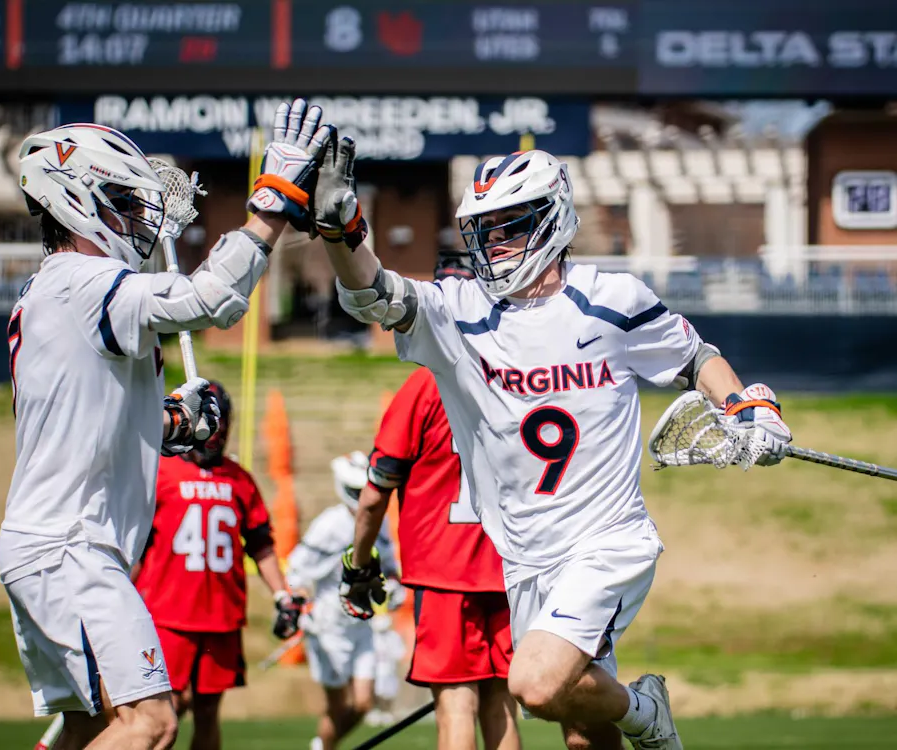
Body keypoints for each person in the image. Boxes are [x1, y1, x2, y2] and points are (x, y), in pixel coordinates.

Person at [304, 97, 793, 750]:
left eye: (510, 226)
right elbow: (372, 290)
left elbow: (695, 358)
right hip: (524, 558)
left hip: (606, 543)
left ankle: (648, 713)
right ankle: (630, 713)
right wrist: (342, 230)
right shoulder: (459, 312)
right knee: (584, 732)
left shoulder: (611, 301)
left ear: (551, 219)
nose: (494, 244)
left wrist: (745, 408)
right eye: (485, 229)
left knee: (533, 686)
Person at [0, 101, 334, 750]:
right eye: (121, 200)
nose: (136, 217)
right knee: (152, 725)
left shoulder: (56, 290)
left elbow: (87, 412)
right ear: (77, 200)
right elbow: (209, 300)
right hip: (73, 545)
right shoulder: (86, 282)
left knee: (90, 727)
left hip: (52, 542)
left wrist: (170, 423)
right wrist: (272, 203)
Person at [346, 249, 521, 750]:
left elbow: (375, 496)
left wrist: (360, 566)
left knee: (456, 705)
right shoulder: (514, 383)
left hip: (445, 572)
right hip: (508, 567)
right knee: (501, 705)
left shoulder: (422, 388)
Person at [133, 381, 302, 750]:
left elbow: (261, 546)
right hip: (168, 614)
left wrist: (282, 596)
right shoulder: (161, 473)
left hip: (221, 617)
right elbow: (136, 548)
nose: (213, 436)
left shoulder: (240, 479)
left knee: (209, 710)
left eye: (219, 425)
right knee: (166, 710)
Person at [285, 452, 401, 750]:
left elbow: (388, 564)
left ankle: (322, 746)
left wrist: (394, 585)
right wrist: (298, 604)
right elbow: (298, 568)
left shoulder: (381, 522)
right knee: (337, 708)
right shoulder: (330, 524)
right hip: (329, 625)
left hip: (362, 624)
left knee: (363, 703)